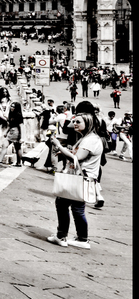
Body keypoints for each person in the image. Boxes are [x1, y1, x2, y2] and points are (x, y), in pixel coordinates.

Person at [46, 107, 102, 250]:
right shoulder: (87, 138)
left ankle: (61, 236)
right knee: (77, 209)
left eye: (78, 122)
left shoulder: (91, 140)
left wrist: (58, 145)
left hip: (79, 178)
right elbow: (78, 155)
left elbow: (77, 158)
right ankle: (82, 239)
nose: (74, 124)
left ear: (88, 123)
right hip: (82, 178)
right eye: (74, 121)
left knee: (62, 204)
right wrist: (65, 152)